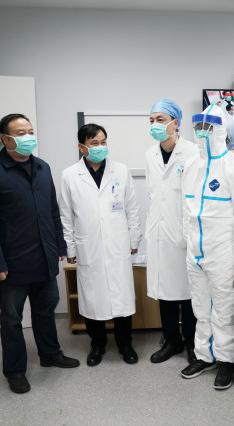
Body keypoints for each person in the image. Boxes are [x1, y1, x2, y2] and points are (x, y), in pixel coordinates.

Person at [0, 113, 79, 394]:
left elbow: (52, 210)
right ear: (5, 139)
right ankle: (15, 370)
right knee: (12, 319)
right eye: (20, 133)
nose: (28, 137)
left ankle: (50, 354)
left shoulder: (42, 167)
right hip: (12, 262)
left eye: (30, 131)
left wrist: (59, 245)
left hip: (44, 255)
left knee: (45, 310)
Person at [180, 105, 234, 390]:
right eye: (198, 127)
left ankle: (226, 360)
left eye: (208, 127)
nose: (202, 132)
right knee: (200, 307)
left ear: (221, 130)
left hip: (222, 250)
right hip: (195, 251)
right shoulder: (192, 165)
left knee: (224, 309)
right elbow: (186, 209)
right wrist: (188, 242)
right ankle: (204, 355)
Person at [59, 123, 142, 366]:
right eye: (94, 143)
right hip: (89, 246)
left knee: (122, 298)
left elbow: (132, 208)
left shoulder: (121, 171)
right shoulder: (69, 175)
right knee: (93, 299)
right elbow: (66, 215)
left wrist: (134, 238)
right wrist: (70, 248)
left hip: (118, 244)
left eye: (103, 142)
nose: (100, 146)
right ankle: (97, 345)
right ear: (81, 147)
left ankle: (125, 344)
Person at [145, 99, 198, 365]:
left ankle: (191, 343)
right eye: (151, 120)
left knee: (188, 293)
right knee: (164, 291)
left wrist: (189, 234)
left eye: (160, 119)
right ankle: (171, 341)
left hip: (184, 234)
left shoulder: (193, 153)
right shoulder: (150, 155)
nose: (155, 124)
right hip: (159, 233)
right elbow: (154, 194)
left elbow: (195, 198)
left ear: (175, 123)